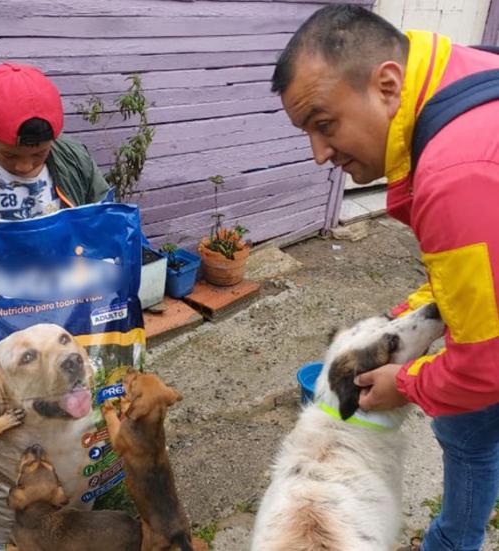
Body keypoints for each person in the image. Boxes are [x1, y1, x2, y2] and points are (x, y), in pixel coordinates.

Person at [272, 5, 499, 550]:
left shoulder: (453, 175)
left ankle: (452, 542)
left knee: (465, 428)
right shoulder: (459, 72)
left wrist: (408, 385)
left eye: (324, 125)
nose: (319, 154)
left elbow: (484, 365)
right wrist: (414, 308)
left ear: (387, 84)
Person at [0, 62, 111, 245]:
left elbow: (106, 218)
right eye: (9, 155)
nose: (25, 166)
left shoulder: (75, 158)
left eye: (39, 154)